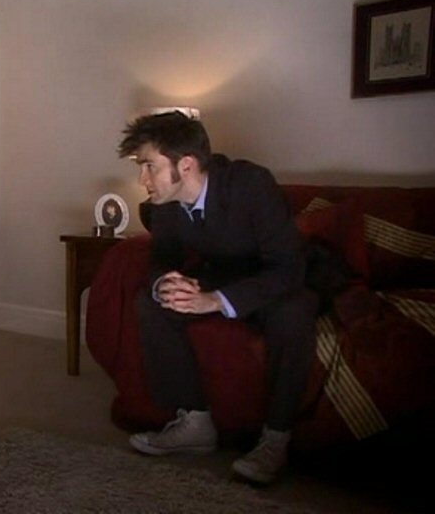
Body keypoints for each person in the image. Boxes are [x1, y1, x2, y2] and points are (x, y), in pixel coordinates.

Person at [118, 111, 317, 485]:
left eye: (149, 166)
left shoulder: (251, 183)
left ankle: (276, 439)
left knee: (294, 313)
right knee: (152, 301)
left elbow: (288, 267)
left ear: (186, 164)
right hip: (220, 274)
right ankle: (195, 422)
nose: (142, 179)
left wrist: (216, 300)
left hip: (274, 279)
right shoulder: (165, 203)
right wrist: (165, 284)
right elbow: (161, 259)